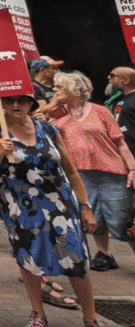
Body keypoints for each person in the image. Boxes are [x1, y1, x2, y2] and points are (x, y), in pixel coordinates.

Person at [0, 94, 125, 327]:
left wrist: (84, 207)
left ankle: (91, 320)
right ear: (1, 104)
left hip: (59, 201)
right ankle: (38, 313)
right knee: (29, 256)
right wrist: (1, 151)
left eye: (22, 101)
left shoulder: (47, 128)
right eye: (10, 101)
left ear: (31, 104)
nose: (16, 105)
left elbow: (70, 170)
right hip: (20, 205)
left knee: (75, 255)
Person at [45, 71, 135, 272]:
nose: (55, 90)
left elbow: (120, 143)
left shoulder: (100, 111)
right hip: (80, 173)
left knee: (123, 220)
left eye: (59, 87)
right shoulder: (55, 114)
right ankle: (104, 254)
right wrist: (49, 124)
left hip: (112, 172)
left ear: (73, 90)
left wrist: (132, 168)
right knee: (93, 217)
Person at [107, 67, 135, 158]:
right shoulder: (116, 99)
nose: (108, 77)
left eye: (112, 76)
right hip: (122, 153)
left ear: (125, 80)